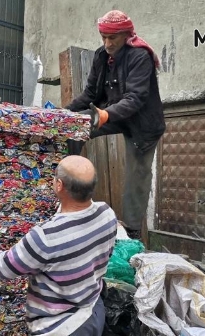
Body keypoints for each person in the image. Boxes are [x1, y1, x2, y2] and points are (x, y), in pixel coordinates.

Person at [0, 155, 118, 336]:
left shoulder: (46, 237)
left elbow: (3, 267)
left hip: (60, 334)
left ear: (59, 186)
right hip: (93, 314)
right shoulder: (107, 215)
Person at [64, 10, 165, 240]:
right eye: (103, 37)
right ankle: (72, 197)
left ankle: (132, 233)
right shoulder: (101, 56)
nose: (107, 43)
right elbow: (90, 93)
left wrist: (107, 114)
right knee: (72, 129)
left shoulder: (140, 56)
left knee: (136, 177)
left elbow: (136, 98)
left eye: (113, 38)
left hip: (143, 123)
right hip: (110, 112)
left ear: (126, 35)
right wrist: (63, 113)